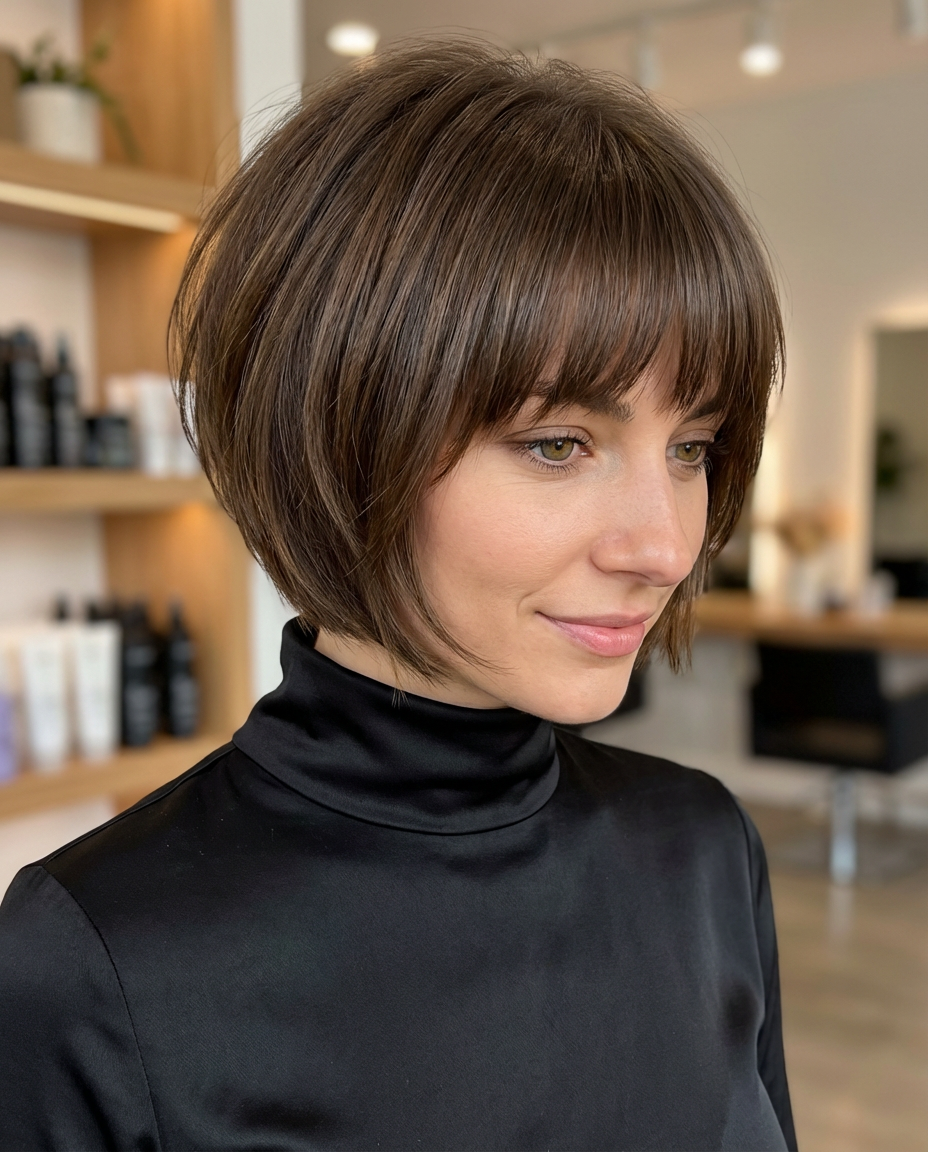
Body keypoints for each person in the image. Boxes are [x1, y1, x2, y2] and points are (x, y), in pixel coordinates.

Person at [0, 40, 796, 1151]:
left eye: (693, 446)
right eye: (558, 444)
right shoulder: (95, 961)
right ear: (340, 429)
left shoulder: (703, 850)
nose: (666, 547)